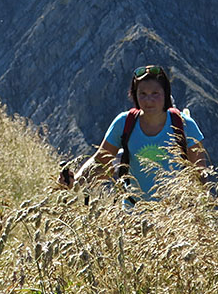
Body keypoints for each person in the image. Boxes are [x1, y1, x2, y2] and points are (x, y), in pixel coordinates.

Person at [60, 65, 207, 199]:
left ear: (166, 94)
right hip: (134, 214)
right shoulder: (124, 123)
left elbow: (199, 175)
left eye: (155, 93)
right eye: (142, 94)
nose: (148, 100)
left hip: (176, 217)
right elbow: (101, 161)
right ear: (134, 95)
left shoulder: (185, 125)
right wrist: (75, 182)